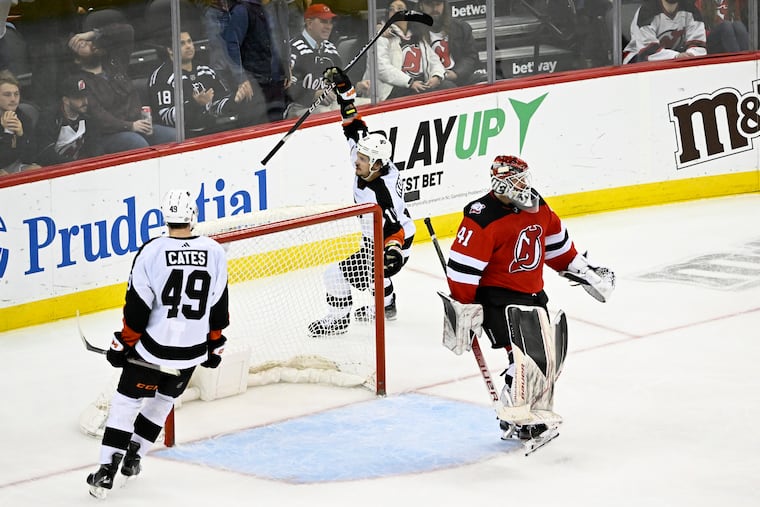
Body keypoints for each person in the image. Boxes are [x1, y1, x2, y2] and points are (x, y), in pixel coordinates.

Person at [441, 155, 615, 443]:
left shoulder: (536, 204)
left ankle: (532, 414)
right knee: (522, 359)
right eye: (517, 180)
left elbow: (556, 246)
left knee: (547, 360)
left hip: (533, 294)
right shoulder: (482, 217)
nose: (524, 185)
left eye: (525, 178)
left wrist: (584, 271)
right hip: (497, 298)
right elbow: (462, 270)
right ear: (501, 182)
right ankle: (515, 413)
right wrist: (465, 308)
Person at [86, 188, 230, 499]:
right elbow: (218, 305)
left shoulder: (151, 251)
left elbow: (137, 307)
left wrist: (122, 344)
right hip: (191, 351)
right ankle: (136, 454)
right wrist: (215, 344)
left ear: (165, 217)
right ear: (193, 216)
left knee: (126, 403)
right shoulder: (215, 251)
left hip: (152, 350)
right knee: (163, 401)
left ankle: (107, 470)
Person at [307, 66, 415, 336]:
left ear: (377, 165)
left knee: (336, 275)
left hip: (393, 239)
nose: (357, 160)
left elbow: (393, 230)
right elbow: (354, 124)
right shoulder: (368, 157)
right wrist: (345, 91)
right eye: (360, 156)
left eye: (364, 160)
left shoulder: (382, 193)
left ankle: (338, 320)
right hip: (381, 232)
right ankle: (387, 307)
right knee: (373, 271)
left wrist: (392, 251)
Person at [67, 22, 177, 155]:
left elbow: (127, 31)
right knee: (138, 144)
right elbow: (99, 117)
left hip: (139, 125)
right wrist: (130, 126)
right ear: (77, 60)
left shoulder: (115, 62)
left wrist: (92, 34)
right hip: (110, 135)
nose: (88, 44)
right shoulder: (81, 82)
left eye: (89, 42)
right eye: (81, 45)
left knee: (175, 136)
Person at [148, 30, 265, 135]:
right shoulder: (162, 77)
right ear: (170, 50)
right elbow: (165, 117)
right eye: (182, 44)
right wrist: (195, 104)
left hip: (211, 130)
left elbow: (217, 103)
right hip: (181, 137)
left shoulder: (206, 70)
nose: (188, 46)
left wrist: (234, 100)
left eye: (189, 42)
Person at [286, 3, 369, 118]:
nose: (329, 26)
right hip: (299, 107)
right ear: (309, 23)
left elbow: (340, 80)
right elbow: (288, 88)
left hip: (329, 105)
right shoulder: (293, 48)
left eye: (330, 22)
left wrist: (356, 86)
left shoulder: (330, 48)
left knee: (369, 104)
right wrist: (314, 95)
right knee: (327, 114)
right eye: (324, 21)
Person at [365, 0, 452, 102]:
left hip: (419, 85)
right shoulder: (381, 35)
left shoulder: (416, 34)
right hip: (394, 89)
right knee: (426, 96)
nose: (395, 12)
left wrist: (436, 76)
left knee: (449, 87)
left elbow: (434, 60)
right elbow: (381, 68)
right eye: (391, 9)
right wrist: (409, 82)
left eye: (400, 9)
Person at [224, 0, 289, 122]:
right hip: (255, 84)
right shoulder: (242, 10)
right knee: (254, 128)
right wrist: (241, 77)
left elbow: (283, 37)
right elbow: (231, 44)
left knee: (277, 129)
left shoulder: (278, 7)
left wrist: (286, 64)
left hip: (276, 82)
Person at [415, 0, 486, 86]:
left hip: (459, 76)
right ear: (421, 6)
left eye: (438, 4)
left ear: (444, 5)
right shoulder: (413, 32)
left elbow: (471, 56)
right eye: (429, 4)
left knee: (488, 79)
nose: (434, 8)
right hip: (431, 82)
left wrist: (456, 73)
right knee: (447, 86)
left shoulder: (461, 27)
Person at [35, 73, 100, 166]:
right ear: (65, 100)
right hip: (56, 170)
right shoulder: (49, 117)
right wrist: (74, 165)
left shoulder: (88, 115)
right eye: (78, 98)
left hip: (82, 167)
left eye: (86, 96)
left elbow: (95, 145)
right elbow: (45, 154)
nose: (85, 102)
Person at [623, 0, 707, 64]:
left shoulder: (691, 9)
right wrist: (676, 56)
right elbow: (647, 51)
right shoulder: (646, 11)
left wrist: (690, 55)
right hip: (637, 58)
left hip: (675, 59)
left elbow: (698, 44)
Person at [0, 70, 39, 174]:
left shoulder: (24, 117)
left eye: (16, 94)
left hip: (14, 164)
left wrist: (21, 134)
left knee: (36, 170)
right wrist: (7, 133)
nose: (13, 99)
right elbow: (2, 161)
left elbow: (30, 158)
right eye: (7, 95)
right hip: (2, 165)